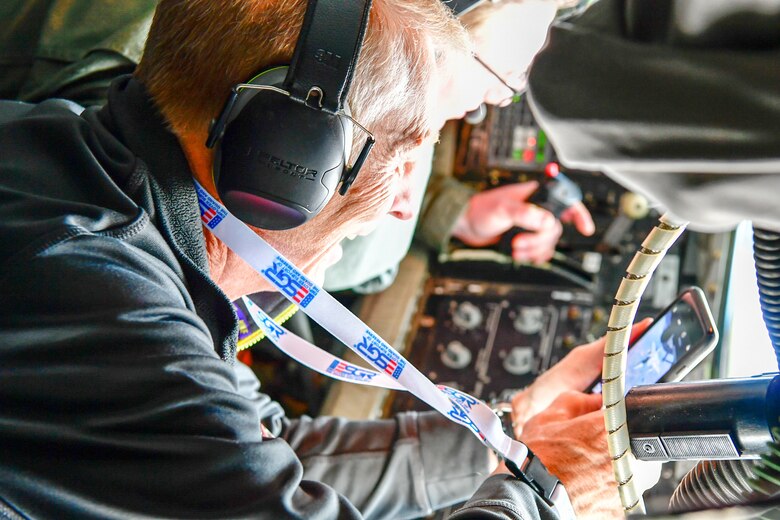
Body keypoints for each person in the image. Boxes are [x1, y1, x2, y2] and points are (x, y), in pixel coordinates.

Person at [0, 0, 628, 518]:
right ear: (285, 168)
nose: (399, 209)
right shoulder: (100, 294)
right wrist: (552, 497)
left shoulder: (80, 175)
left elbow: (266, 447)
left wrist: (516, 436)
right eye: (403, 163)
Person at [323, 0, 596, 294]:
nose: (498, 100)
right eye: (502, 75)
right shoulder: (350, 97)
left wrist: (458, 213)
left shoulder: (413, 102)